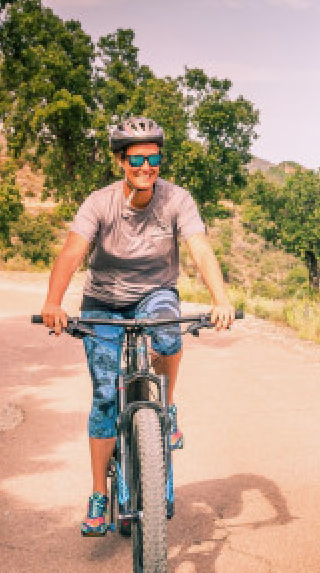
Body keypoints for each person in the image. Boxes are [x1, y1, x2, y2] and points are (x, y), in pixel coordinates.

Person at [40, 116, 235, 535]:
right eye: (136, 159)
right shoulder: (99, 203)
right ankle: (98, 494)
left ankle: (166, 406)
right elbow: (72, 252)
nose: (146, 166)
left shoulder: (177, 200)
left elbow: (200, 249)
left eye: (154, 157)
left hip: (155, 293)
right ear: (120, 162)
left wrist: (221, 299)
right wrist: (54, 303)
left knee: (168, 335)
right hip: (104, 302)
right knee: (106, 395)